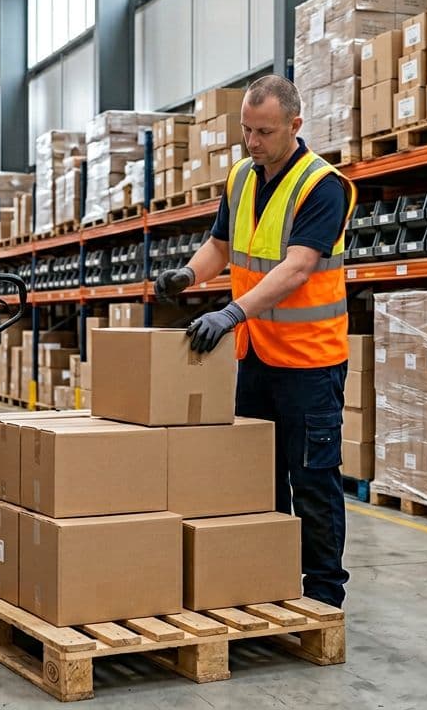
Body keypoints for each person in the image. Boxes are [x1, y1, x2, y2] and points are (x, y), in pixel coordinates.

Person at [156, 75, 355, 607]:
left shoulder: (323, 186)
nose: (253, 142)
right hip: (255, 358)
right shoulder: (242, 177)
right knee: (258, 481)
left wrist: (231, 312)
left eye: (264, 132)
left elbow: (297, 268)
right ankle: (270, 582)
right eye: (246, 130)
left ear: (294, 125)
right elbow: (220, 246)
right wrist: (189, 275)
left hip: (310, 362)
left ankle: (323, 596)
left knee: (312, 482)